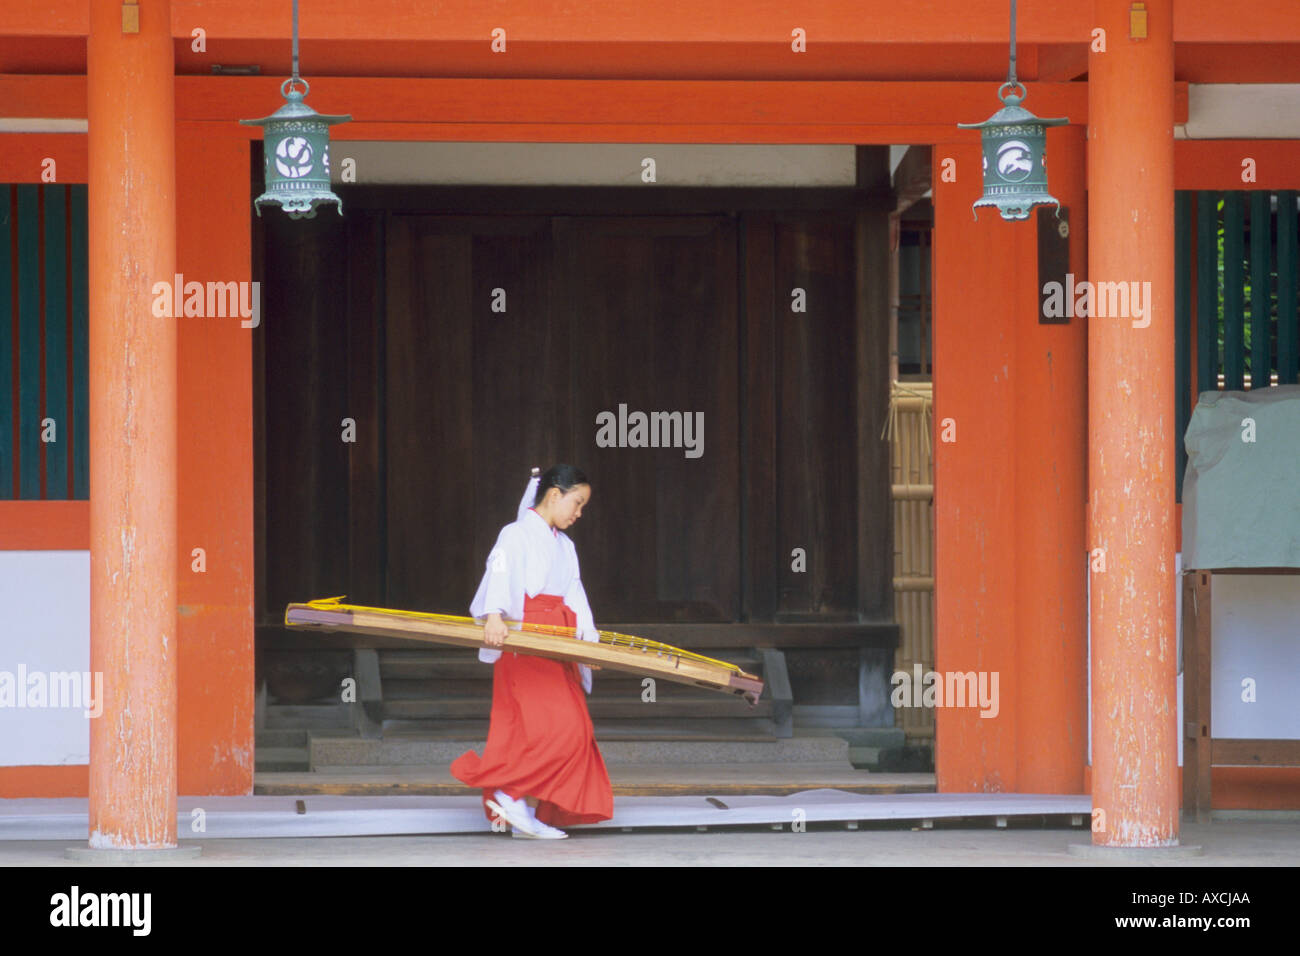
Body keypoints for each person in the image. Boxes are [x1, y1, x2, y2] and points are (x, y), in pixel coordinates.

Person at [449, 464, 614, 839]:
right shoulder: (515, 533)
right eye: (577, 503)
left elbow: (576, 595)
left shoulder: (565, 545)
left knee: (571, 728)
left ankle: (518, 804)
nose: (578, 513)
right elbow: (500, 572)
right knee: (561, 730)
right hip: (524, 640)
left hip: (558, 642)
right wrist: (493, 616)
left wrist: (587, 645)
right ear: (554, 494)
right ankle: (509, 794)